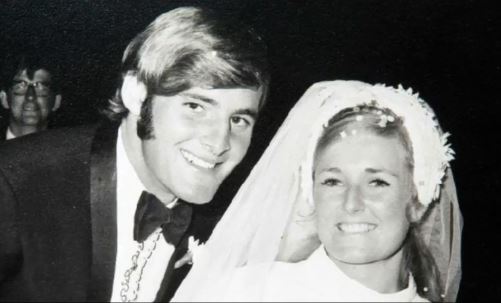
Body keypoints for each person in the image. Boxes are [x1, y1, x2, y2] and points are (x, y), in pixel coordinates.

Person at [0, 6, 269, 301]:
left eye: (239, 120)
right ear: (137, 95)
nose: (220, 143)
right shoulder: (15, 182)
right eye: (195, 107)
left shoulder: (232, 221)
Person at [172, 80, 462, 302]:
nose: (351, 203)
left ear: (418, 200)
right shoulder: (246, 292)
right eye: (333, 181)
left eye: (377, 182)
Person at [0, 54, 62, 140]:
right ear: (4, 99)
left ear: (56, 101)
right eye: (20, 86)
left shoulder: (76, 149)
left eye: (41, 87)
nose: (30, 97)